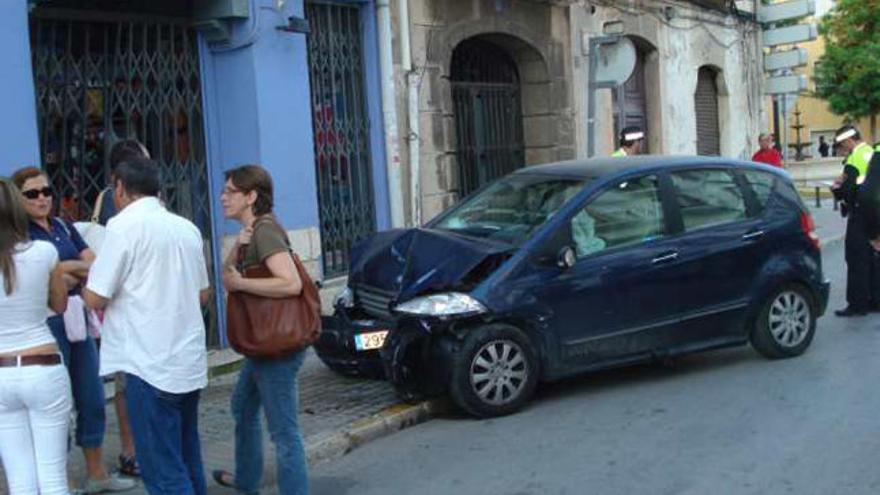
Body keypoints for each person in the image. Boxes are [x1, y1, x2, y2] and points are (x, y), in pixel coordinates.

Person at [82, 158, 211, 495]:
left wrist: (80, 271)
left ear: (119, 187)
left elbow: (95, 297)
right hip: (187, 360)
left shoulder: (122, 227)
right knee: (187, 457)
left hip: (148, 363)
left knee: (163, 471)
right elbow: (203, 292)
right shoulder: (186, 228)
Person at [11, 167, 136, 494]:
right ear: (17, 199)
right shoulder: (20, 236)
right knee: (56, 402)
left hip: (78, 317)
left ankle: (97, 472)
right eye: (32, 194)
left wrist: (67, 269)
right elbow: (51, 281)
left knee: (92, 395)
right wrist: (69, 272)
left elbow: (97, 262)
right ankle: (61, 477)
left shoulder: (64, 226)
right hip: (47, 322)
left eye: (46, 191)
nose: (42, 198)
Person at [212, 165, 309, 495]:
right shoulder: (250, 233)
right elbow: (227, 278)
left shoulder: (265, 232)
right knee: (242, 406)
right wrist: (234, 250)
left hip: (276, 344)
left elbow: (291, 283)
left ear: (251, 196)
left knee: (284, 433)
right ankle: (247, 479)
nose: (223, 197)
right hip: (262, 343)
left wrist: (244, 284)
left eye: (230, 191)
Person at [0, 179, 72, 494]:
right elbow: (59, 304)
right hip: (43, 365)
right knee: (53, 475)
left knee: (20, 480)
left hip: (1, 373)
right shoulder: (44, 251)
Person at [97, 139, 151, 478]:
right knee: (127, 384)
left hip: (147, 310)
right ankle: (132, 451)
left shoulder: (148, 201)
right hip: (126, 309)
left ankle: (141, 449)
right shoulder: (112, 205)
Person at [829, 125, 880, 317]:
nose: (843, 150)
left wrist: (836, 188)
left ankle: (858, 304)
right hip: (875, 212)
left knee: (856, 258)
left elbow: (847, 190)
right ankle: (875, 300)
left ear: (849, 141)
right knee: (873, 258)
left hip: (859, 214)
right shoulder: (871, 153)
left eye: (842, 146)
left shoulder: (854, 159)